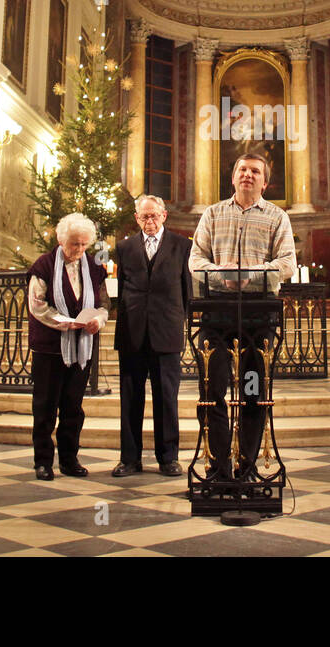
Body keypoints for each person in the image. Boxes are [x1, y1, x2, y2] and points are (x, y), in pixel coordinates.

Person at [189, 154, 296, 479]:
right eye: (242, 170)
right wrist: (223, 276)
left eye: (255, 172)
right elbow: (195, 260)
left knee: (253, 392)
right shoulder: (212, 213)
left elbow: (287, 263)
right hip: (217, 315)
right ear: (233, 177)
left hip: (258, 317)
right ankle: (220, 466)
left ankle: (247, 466)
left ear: (264, 181)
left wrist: (252, 274)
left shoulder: (277, 217)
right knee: (213, 391)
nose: (248, 175)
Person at [112, 195, 192, 478]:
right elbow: (122, 292)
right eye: (144, 217)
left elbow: (187, 292)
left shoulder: (183, 246)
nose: (150, 221)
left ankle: (168, 457)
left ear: (164, 216)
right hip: (132, 334)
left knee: (166, 398)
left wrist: (181, 325)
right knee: (130, 399)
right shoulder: (124, 247)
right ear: (137, 218)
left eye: (154, 216)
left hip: (167, 333)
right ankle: (129, 458)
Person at [26, 213, 109, 481]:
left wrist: (98, 320)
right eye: (75, 244)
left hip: (81, 348)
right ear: (62, 240)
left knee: (73, 407)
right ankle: (43, 462)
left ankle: (69, 459)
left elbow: (104, 304)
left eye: (85, 245)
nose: (80, 250)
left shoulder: (94, 269)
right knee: (45, 407)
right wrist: (64, 323)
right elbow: (36, 305)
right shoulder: (44, 266)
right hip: (50, 348)